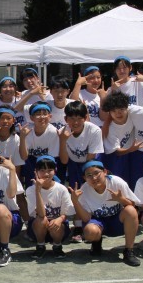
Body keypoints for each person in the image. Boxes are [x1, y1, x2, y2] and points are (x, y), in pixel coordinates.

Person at [68, 160, 141, 266]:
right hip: (99, 222)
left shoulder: (116, 182)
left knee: (131, 210)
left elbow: (133, 204)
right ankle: (96, 242)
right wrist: (75, 201)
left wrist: (121, 199)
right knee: (90, 232)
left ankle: (129, 250)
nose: (94, 178)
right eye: (89, 175)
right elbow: (86, 218)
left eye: (97, 173)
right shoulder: (84, 189)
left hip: (117, 222)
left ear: (105, 172)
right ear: (84, 178)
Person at [59, 100, 104, 243]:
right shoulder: (62, 132)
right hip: (73, 164)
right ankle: (78, 226)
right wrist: (63, 141)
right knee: (76, 193)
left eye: (79, 118)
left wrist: (87, 176)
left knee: (90, 191)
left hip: (90, 163)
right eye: (71, 118)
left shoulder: (94, 130)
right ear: (66, 119)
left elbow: (91, 157)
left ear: (85, 118)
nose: (75, 122)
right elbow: (64, 160)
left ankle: (95, 222)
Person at [26, 155, 74, 259]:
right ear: (36, 172)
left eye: (50, 170)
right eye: (42, 170)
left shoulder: (62, 189)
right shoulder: (30, 190)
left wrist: (59, 219)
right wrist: (38, 190)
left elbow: (66, 213)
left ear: (55, 171)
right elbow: (41, 214)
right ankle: (40, 245)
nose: (46, 174)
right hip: (38, 228)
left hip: (58, 228)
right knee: (42, 219)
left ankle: (57, 246)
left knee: (55, 222)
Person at [100, 92, 141, 188]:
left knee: (132, 182)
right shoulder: (110, 128)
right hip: (114, 157)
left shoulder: (133, 112)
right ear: (109, 112)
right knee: (117, 183)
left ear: (127, 107)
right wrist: (130, 149)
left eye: (121, 109)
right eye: (114, 111)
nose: (118, 113)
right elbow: (116, 152)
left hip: (129, 153)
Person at [18, 102, 61, 189]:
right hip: (31, 162)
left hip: (48, 163)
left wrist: (42, 173)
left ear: (50, 116)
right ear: (31, 118)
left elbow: (52, 158)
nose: (42, 117)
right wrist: (22, 138)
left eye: (45, 114)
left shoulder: (53, 132)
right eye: (38, 114)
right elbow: (24, 156)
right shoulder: (27, 130)